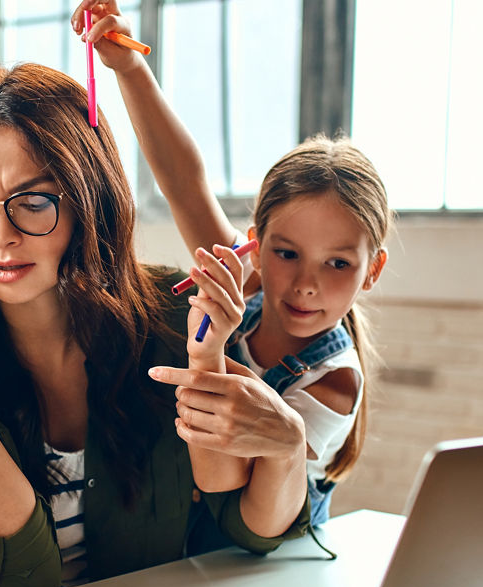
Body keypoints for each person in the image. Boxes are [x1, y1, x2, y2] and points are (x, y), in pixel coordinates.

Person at [0, 62, 312, 587]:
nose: (1, 235)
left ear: (88, 200)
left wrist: (288, 446)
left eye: (32, 201)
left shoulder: (174, 321)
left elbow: (244, 535)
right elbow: (20, 575)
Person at [75, 1, 392, 525]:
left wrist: (212, 352)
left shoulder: (334, 380)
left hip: (268, 561)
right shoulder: (242, 280)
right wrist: (128, 67)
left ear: (372, 271)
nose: (306, 284)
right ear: (254, 246)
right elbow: (182, 179)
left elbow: (243, 495)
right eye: (286, 253)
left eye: (338, 264)